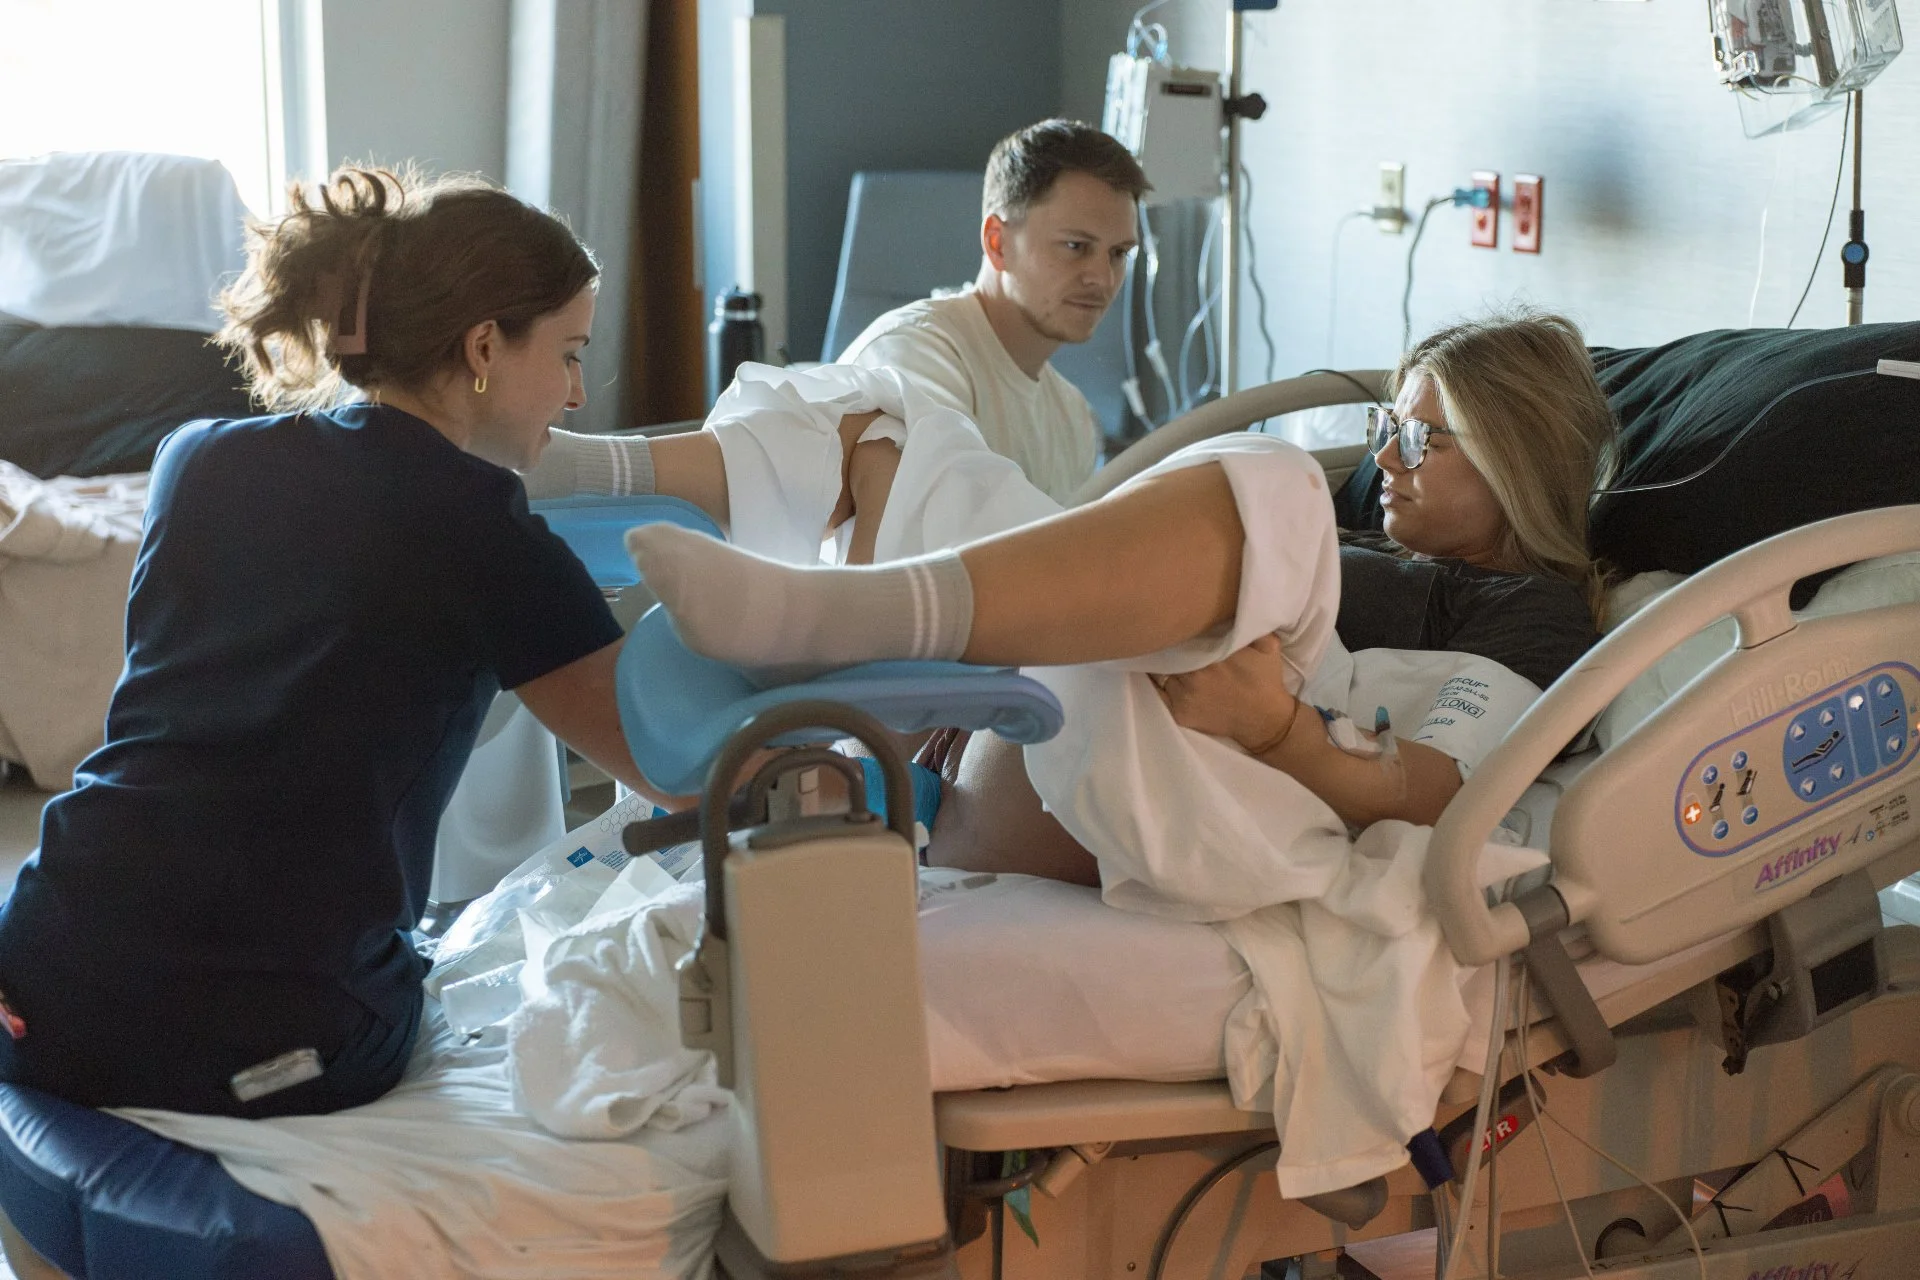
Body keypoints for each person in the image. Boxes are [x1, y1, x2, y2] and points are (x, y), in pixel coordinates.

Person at [0, 167, 704, 1118]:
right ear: (485, 344)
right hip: (265, 1028)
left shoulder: (197, 457)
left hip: (42, 965)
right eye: (571, 353)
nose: (577, 393)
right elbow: (671, 767)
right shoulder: (477, 523)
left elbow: (181, 726)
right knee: (427, 985)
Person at [624, 312, 1617, 886]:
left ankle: (843, 631)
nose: (1389, 462)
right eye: (1387, 430)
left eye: (1419, 441)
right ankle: (594, 474)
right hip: (1060, 725)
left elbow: (1439, 788)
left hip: (1222, 761)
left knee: (1277, 486)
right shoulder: (1368, 539)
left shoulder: (1537, 613)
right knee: (886, 418)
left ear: (1513, 459)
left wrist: (1279, 730)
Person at [522, 119, 1147, 507]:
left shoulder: (1074, 419)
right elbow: (941, 521)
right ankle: (562, 467)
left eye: (1119, 253)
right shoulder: (916, 355)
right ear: (996, 241)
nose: (1102, 276)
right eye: (1076, 247)